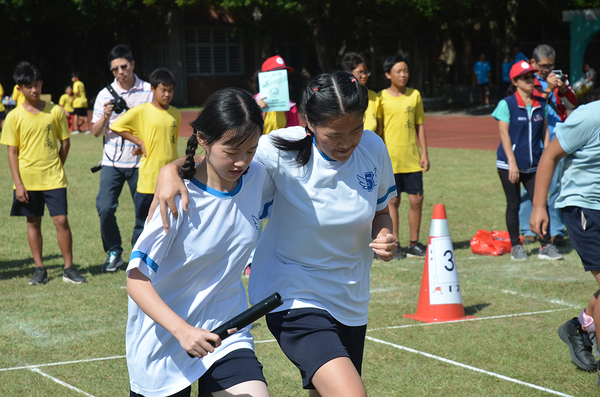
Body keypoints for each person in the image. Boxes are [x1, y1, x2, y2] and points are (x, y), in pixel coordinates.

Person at [151, 71, 398, 397]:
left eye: (356, 129)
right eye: (334, 134)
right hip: (294, 294)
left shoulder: (373, 148)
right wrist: (169, 171)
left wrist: (386, 235)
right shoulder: (279, 149)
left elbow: (382, 211)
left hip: (351, 299)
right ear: (308, 121)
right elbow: (221, 154)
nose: (347, 142)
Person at [126, 88, 273, 397]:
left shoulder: (258, 176)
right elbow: (136, 281)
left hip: (226, 328)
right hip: (163, 342)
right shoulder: (176, 198)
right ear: (204, 139)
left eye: (251, 150)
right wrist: (183, 331)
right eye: (232, 152)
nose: (242, 162)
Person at [530, 100, 600, 375]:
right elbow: (550, 155)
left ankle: (579, 326)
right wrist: (538, 206)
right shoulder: (590, 116)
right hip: (583, 206)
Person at [0, 62, 86, 285]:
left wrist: (58, 165)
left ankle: (69, 268)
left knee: (61, 220)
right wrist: (18, 183)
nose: (34, 90)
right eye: (28, 86)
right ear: (19, 88)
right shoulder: (14, 117)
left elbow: (65, 143)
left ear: (41, 84)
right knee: (33, 222)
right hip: (27, 181)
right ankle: (40, 269)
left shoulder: (55, 110)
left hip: (54, 178)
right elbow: (12, 152)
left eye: (37, 85)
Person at [491, 60, 562, 261]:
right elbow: (504, 135)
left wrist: (548, 157)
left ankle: (546, 245)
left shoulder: (541, 103)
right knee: (513, 204)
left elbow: (545, 135)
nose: (531, 80)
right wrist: (512, 162)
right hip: (509, 165)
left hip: (535, 166)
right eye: (525, 78)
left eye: (532, 76)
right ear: (515, 81)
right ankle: (516, 246)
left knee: (541, 202)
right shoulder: (507, 104)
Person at [91, 44, 153, 272]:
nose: (120, 72)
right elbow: (96, 131)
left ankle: (139, 253)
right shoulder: (104, 95)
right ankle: (113, 251)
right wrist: (106, 115)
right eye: (115, 69)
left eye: (124, 66)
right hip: (112, 161)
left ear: (133, 64)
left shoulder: (148, 90)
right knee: (105, 207)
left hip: (141, 161)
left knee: (144, 210)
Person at [110, 68, 181, 246]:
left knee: (169, 223)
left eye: (170, 90)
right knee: (143, 223)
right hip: (149, 179)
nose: (167, 94)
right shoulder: (142, 111)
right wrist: (139, 142)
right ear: (153, 89)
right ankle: (136, 263)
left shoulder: (176, 114)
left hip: (171, 178)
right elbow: (116, 126)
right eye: (163, 90)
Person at [518, 44, 578, 247]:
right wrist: (549, 88)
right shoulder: (529, 82)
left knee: (557, 187)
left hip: (559, 139)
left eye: (551, 66)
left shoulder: (558, 80)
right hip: (535, 141)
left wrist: (562, 89)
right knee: (530, 186)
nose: (547, 71)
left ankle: (555, 230)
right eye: (544, 66)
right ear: (533, 63)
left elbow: (573, 102)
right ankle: (527, 228)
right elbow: (534, 106)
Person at [379, 50, 429, 258]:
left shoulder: (414, 95)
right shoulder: (381, 98)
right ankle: (396, 243)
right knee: (393, 202)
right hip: (391, 160)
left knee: (417, 200)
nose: (403, 75)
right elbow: (379, 130)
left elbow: (420, 126)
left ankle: (414, 243)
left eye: (406, 71)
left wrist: (424, 153)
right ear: (388, 74)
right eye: (398, 71)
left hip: (411, 159)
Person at [254, 55, 300, 134]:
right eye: (276, 74)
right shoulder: (252, 102)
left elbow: (293, 133)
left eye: (283, 74)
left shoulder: (290, 106)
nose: (280, 79)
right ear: (264, 76)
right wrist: (255, 110)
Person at [341, 52, 382, 136]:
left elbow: (379, 128)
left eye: (366, 72)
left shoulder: (373, 96)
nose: (364, 76)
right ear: (348, 73)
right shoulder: (342, 95)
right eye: (360, 72)